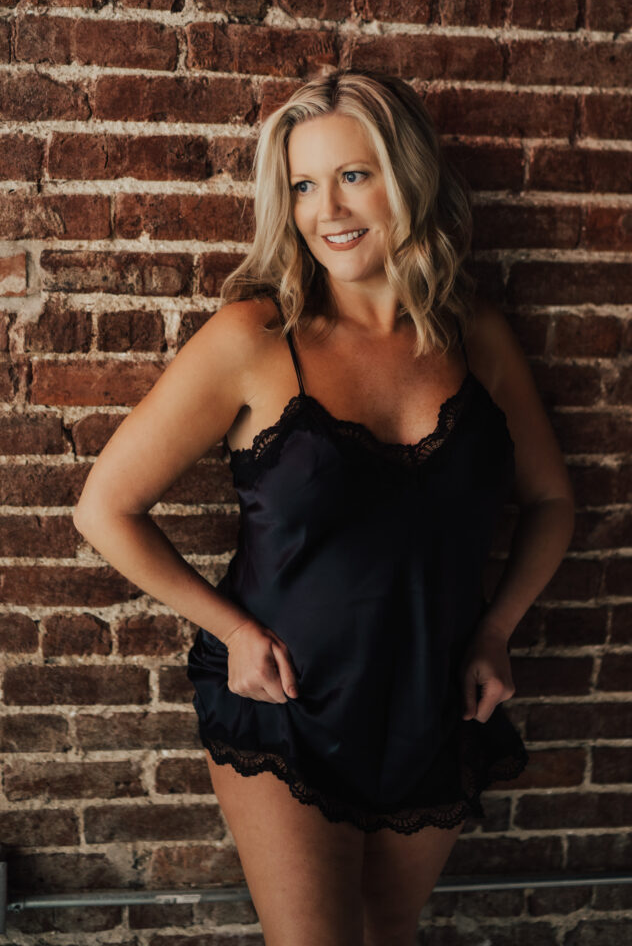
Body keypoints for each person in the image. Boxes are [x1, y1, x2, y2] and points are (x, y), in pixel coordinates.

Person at [74, 68, 575, 946]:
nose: (327, 210)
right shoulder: (253, 340)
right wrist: (230, 632)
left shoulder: (477, 338)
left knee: (385, 932)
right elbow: (104, 508)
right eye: (304, 185)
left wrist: (497, 629)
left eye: (354, 175)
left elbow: (549, 500)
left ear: (407, 177)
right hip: (286, 704)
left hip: (431, 701)